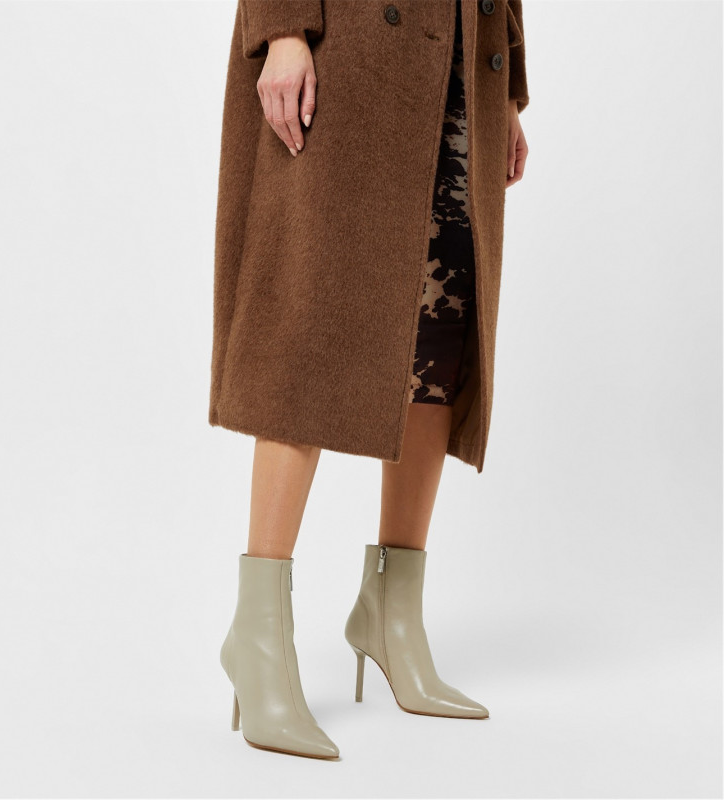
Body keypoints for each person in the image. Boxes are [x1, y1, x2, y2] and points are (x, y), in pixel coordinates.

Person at [213, 0, 530, 760]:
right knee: (306, 331)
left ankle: (392, 613)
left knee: (441, 330)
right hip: (344, 50)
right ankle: (257, 638)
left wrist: (509, 87)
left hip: (464, 53)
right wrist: (282, 30)